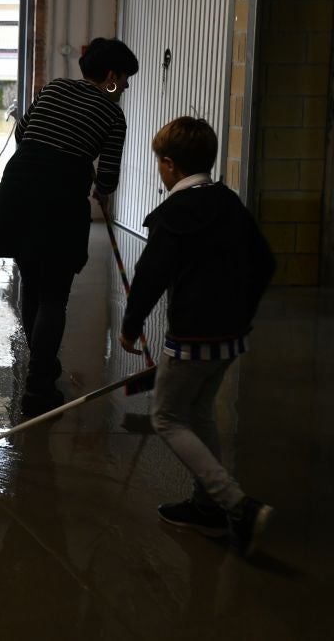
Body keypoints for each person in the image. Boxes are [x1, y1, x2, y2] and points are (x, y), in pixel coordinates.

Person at [119, 116, 276, 557]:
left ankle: (236, 505)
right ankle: (207, 507)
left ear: (169, 165)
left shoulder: (173, 215)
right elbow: (265, 262)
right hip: (231, 336)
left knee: (165, 416)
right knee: (200, 410)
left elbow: (150, 276)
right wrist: (241, 311)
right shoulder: (229, 202)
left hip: (192, 336)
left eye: (159, 164)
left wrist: (131, 327)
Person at [0, 37, 138, 407]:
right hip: (59, 201)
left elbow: (24, 133)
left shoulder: (54, 88)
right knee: (55, 294)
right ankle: (38, 385)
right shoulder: (112, 114)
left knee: (34, 284)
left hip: (17, 190)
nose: (126, 87)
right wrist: (98, 187)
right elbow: (108, 178)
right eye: (123, 79)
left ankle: (43, 364)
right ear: (109, 76)